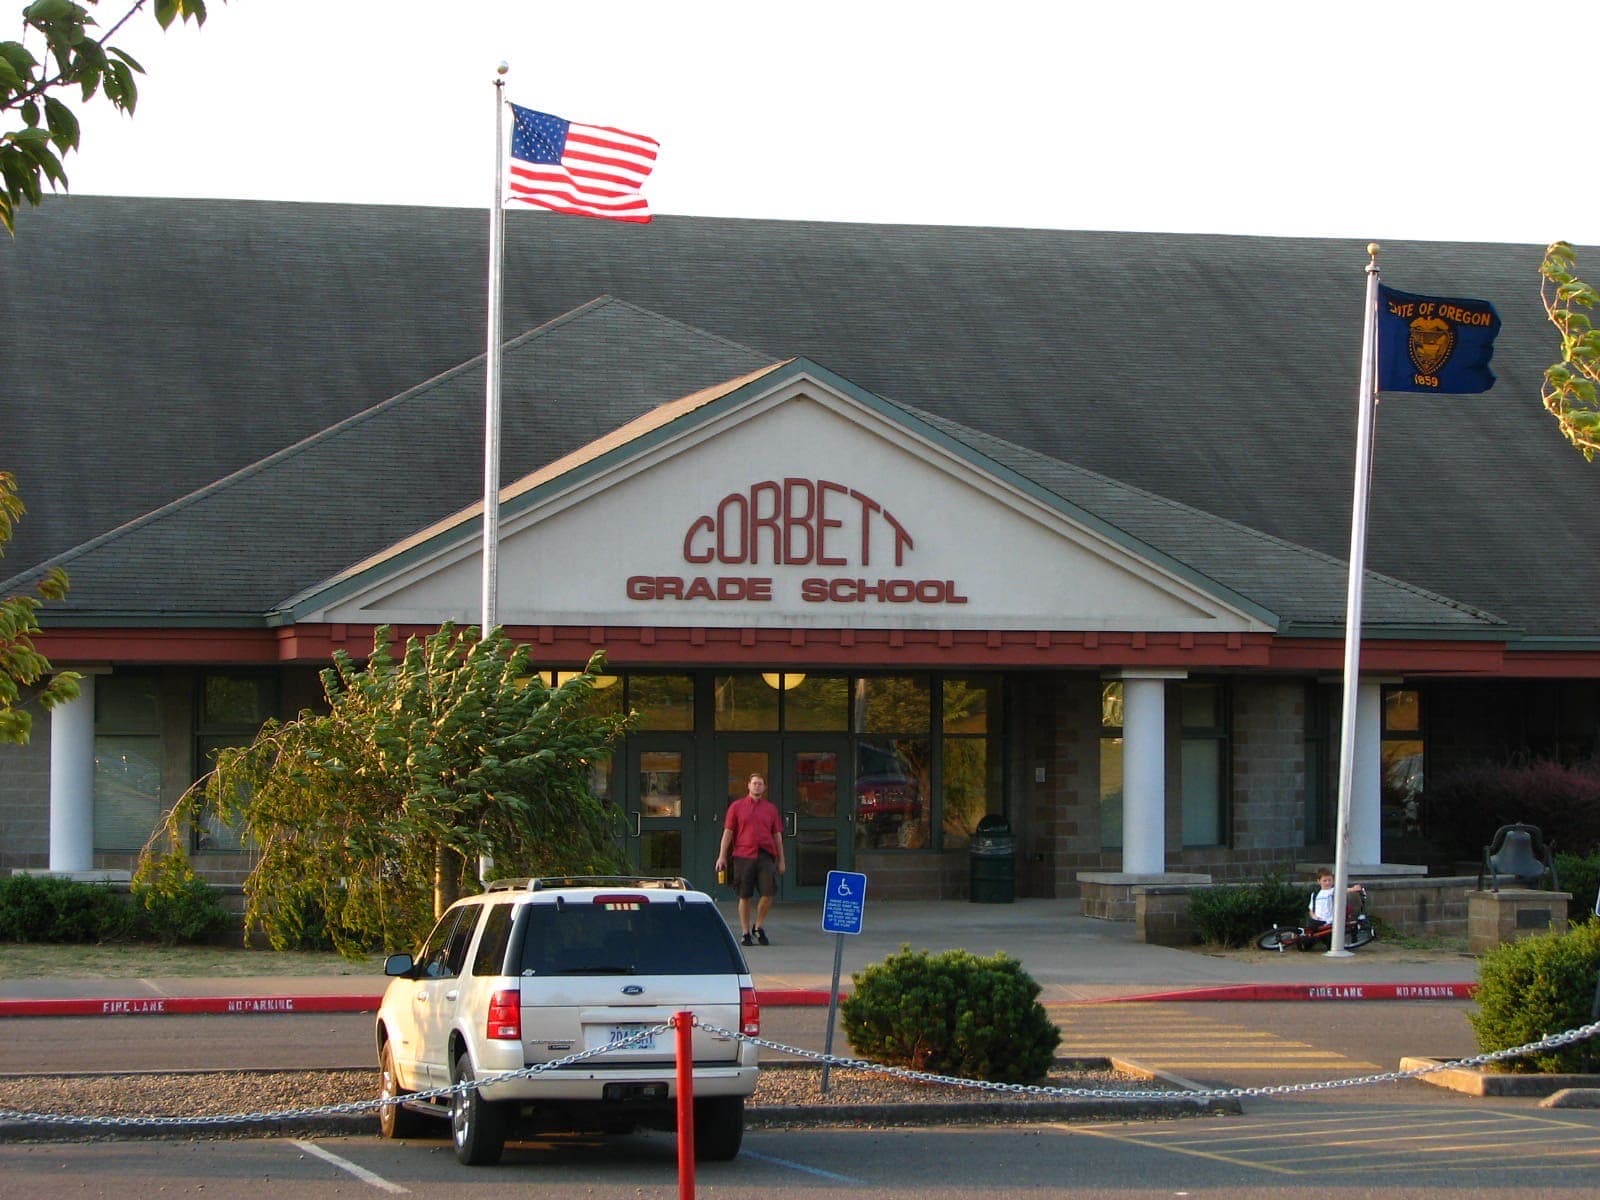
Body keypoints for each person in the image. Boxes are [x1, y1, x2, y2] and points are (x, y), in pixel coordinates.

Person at [715, 773, 785, 947]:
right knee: (744, 895)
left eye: (760, 784)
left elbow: (777, 835)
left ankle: (758, 926)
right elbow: (728, 832)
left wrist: (781, 860)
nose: (757, 786)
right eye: (754, 783)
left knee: (768, 893)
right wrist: (722, 856)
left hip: (765, 855)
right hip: (743, 855)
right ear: (748, 785)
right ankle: (745, 932)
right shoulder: (736, 807)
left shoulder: (771, 809)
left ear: (765, 787)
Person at [1306, 868, 1364, 938]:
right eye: (1324, 881)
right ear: (1319, 881)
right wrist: (1313, 916)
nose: (1327, 883)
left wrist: (1354, 888)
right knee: (1309, 934)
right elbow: (1311, 909)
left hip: (1330, 922)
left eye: (1330, 880)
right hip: (1317, 922)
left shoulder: (1333, 891)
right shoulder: (1315, 894)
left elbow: (1343, 890)